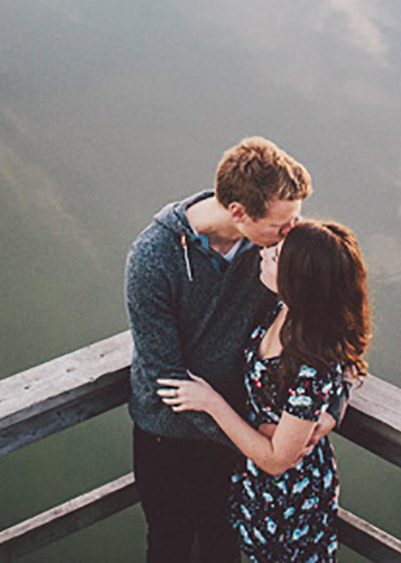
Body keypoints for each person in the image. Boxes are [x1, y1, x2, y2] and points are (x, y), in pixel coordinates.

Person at [126, 137, 332, 563]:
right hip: (170, 439)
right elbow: (168, 379)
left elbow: (333, 325)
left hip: (242, 438)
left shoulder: (273, 250)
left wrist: (330, 412)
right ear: (238, 213)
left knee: (224, 547)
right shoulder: (152, 259)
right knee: (169, 546)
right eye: (283, 224)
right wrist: (264, 445)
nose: (292, 233)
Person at [158, 220, 370, 563]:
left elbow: (277, 461)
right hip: (254, 482)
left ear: (299, 280)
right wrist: (332, 412)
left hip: (290, 502)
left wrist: (211, 403)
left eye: (276, 256)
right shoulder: (283, 308)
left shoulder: (310, 359)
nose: (264, 252)